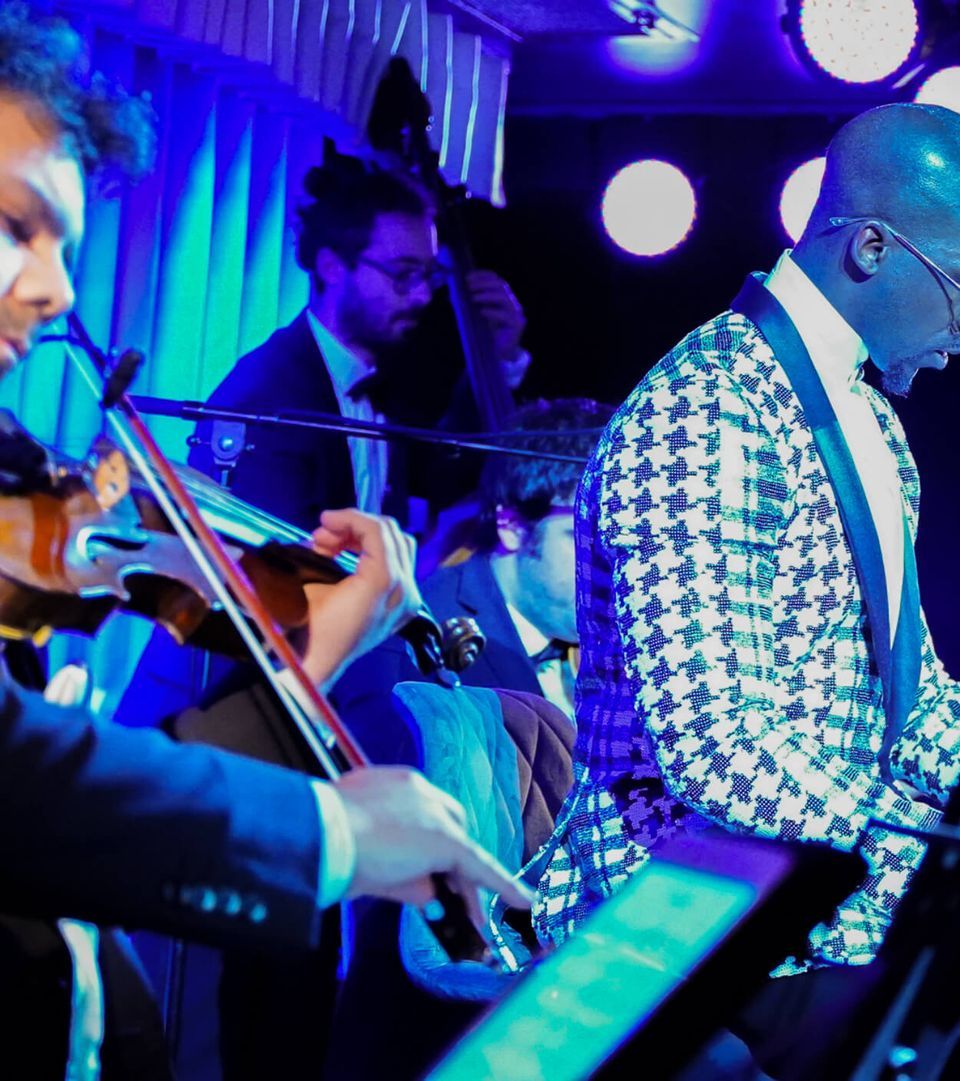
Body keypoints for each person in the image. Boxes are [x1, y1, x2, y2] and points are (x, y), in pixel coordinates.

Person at [536, 102, 960, 1078]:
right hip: (681, 924)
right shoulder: (709, 411)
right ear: (872, 248)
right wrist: (942, 864)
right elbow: (718, 748)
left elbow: (914, 706)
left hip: (823, 910)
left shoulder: (872, 425)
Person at [0, 7, 532, 1075]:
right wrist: (329, 789)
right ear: (330, 271)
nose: (58, 291)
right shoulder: (270, 394)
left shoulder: (374, 394)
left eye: (66, 246)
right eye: (17, 229)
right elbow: (28, 782)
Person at [321, 398, 610, 1080]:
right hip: (446, 1030)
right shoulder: (408, 647)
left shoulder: (611, 637)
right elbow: (395, 887)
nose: (610, 566)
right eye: (585, 537)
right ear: (512, 525)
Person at [188, 150, 532, 532]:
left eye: (428, 275)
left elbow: (445, 475)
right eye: (402, 275)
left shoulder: (383, 378)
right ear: (332, 266)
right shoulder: (266, 396)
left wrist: (497, 357)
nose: (421, 296)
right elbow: (277, 565)